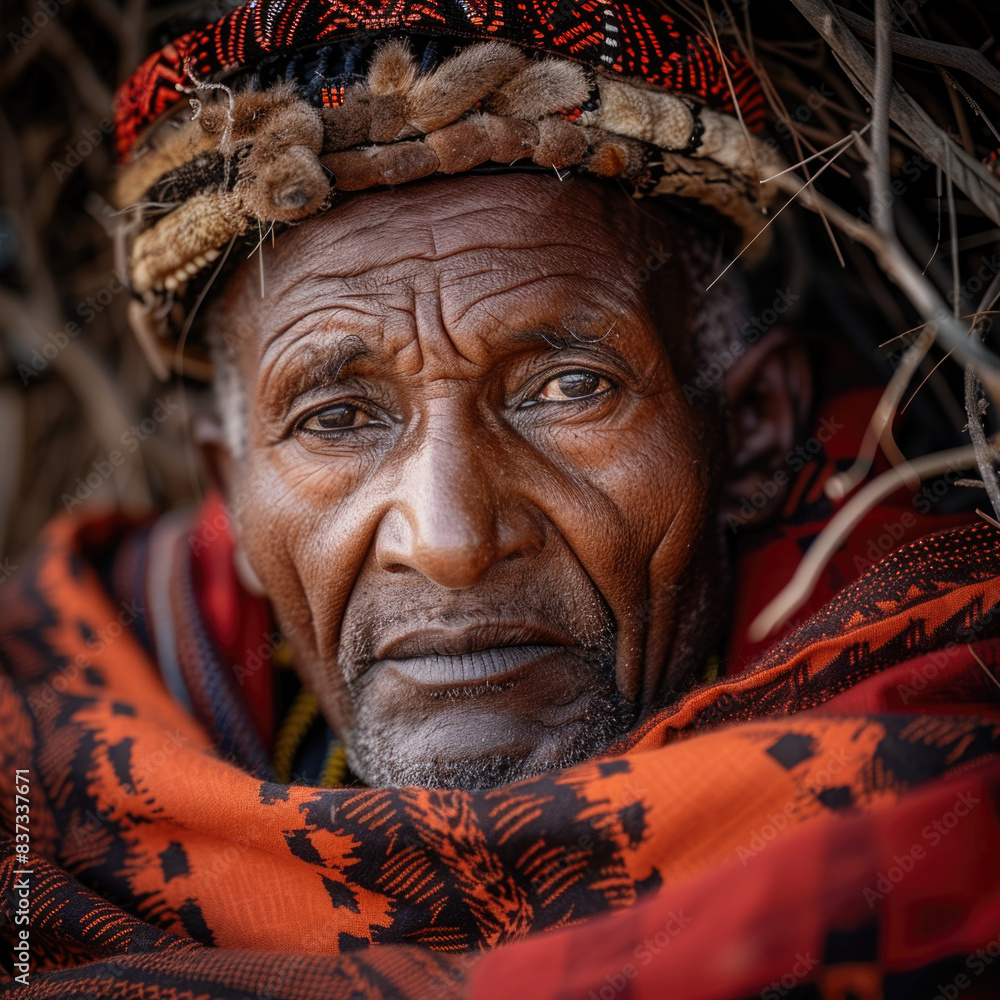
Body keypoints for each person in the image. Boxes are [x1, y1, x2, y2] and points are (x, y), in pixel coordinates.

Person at [1, 1, 998, 997]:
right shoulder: (42, 777)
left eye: (567, 387)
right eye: (337, 416)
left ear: (750, 432)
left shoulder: (952, 768)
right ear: (232, 492)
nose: (450, 541)